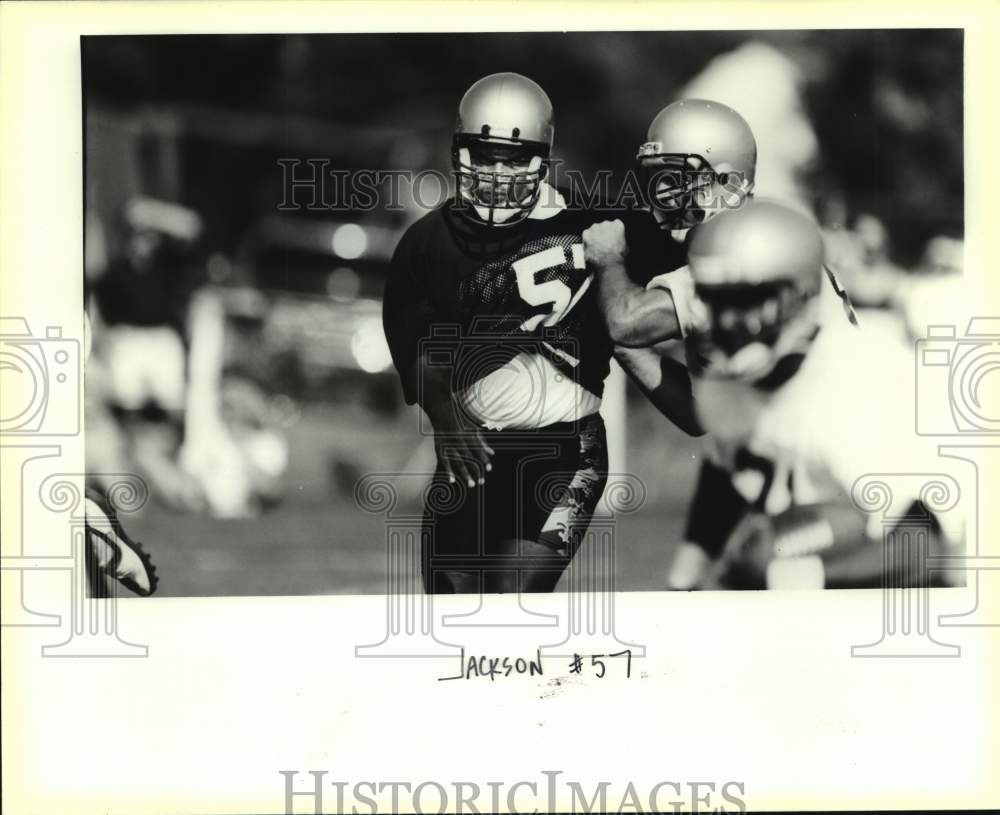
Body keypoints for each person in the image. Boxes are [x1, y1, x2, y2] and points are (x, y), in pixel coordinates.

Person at [383, 72, 695, 595]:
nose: (496, 171)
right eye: (483, 154)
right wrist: (444, 415)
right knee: (449, 608)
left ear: (542, 156)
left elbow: (697, 244)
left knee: (512, 599)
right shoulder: (426, 244)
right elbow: (417, 347)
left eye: (511, 156)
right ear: (460, 150)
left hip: (566, 449)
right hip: (472, 447)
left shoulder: (594, 223)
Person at [672, 200, 963, 589]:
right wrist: (682, 582)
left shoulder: (861, 373)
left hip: (931, 578)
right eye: (717, 300)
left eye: (744, 300)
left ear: (800, 294)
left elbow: (922, 544)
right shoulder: (724, 386)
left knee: (760, 559)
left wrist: (779, 571)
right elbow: (725, 476)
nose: (727, 320)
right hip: (826, 562)